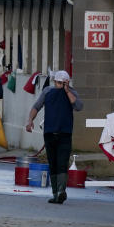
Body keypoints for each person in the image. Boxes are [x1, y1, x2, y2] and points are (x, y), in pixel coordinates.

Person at [25, 70, 83, 204]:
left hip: (65, 133)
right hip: (50, 132)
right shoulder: (47, 91)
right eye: (58, 82)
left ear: (67, 82)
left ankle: (61, 191)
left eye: (63, 83)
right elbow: (36, 106)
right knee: (53, 163)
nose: (60, 85)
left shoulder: (71, 93)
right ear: (54, 81)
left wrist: (67, 91)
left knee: (62, 162)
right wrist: (30, 120)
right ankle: (55, 193)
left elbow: (79, 106)